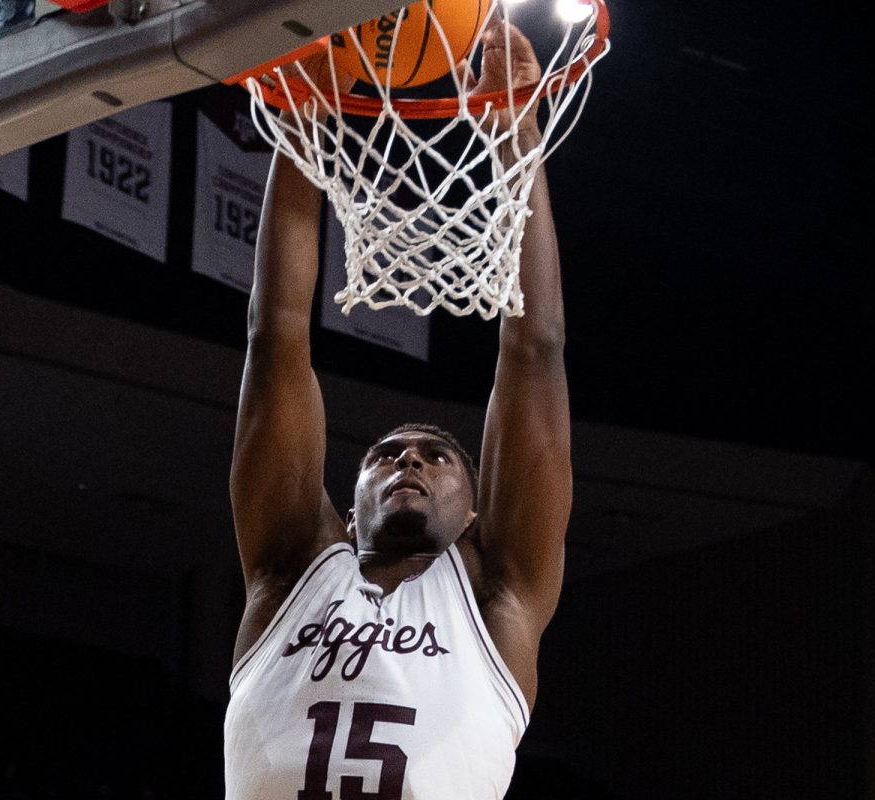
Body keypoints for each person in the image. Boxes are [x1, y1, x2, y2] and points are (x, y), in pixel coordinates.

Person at [224, 17, 571, 800]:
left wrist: (519, 131)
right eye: (384, 455)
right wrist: (301, 131)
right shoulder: (289, 574)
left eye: (437, 456)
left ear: (481, 515)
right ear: (346, 512)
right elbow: (275, 337)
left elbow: (535, 349)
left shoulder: (499, 598)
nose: (408, 460)